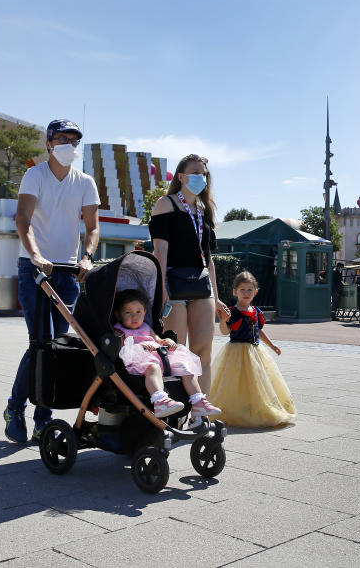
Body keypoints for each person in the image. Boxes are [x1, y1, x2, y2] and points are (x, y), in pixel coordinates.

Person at [3, 119, 100, 443]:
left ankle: (42, 418)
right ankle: (17, 408)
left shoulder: (84, 181)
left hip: (67, 271)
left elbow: (93, 227)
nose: (68, 145)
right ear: (48, 143)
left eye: (74, 141)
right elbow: (23, 218)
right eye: (62, 139)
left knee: (56, 345)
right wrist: (34, 254)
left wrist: (86, 256)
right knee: (39, 342)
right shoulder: (36, 175)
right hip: (36, 269)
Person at [149, 154, 228, 392]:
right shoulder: (166, 203)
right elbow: (160, 250)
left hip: (201, 285)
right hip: (173, 284)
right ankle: (174, 411)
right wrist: (161, 287)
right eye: (195, 173)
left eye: (204, 173)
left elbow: (209, 258)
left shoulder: (204, 210)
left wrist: (216, 296)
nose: (201, 177)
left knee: (203, 350)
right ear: (181, 176)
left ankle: (201, 412)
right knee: (175, 350)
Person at [112, 289, 221, 418]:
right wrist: (139, 346)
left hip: (158, 355)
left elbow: (158, 340)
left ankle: (198, 401)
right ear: (119, 315)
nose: (134, 317)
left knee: (184, 365)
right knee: (153, 367)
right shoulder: (119, 329)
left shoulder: (146, 327)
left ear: (145, 312)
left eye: (138, 312)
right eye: (128, 312)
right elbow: (121, 347)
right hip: (138, 358)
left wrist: (166, 340)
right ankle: (160, 400)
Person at [212, 272, 295, 427]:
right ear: (234, 291)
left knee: (258, 382)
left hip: (256, 351)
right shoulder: (232, 312)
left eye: (250, 290)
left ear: (255, 292)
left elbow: (259, 331)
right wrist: (223, 321)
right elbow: (225, 332)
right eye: (242, 289)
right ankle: (236, 409)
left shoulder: (256, 311)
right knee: (236, 382)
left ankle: (256, 407)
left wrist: (271, 345)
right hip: (236, 352)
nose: (246, 293)